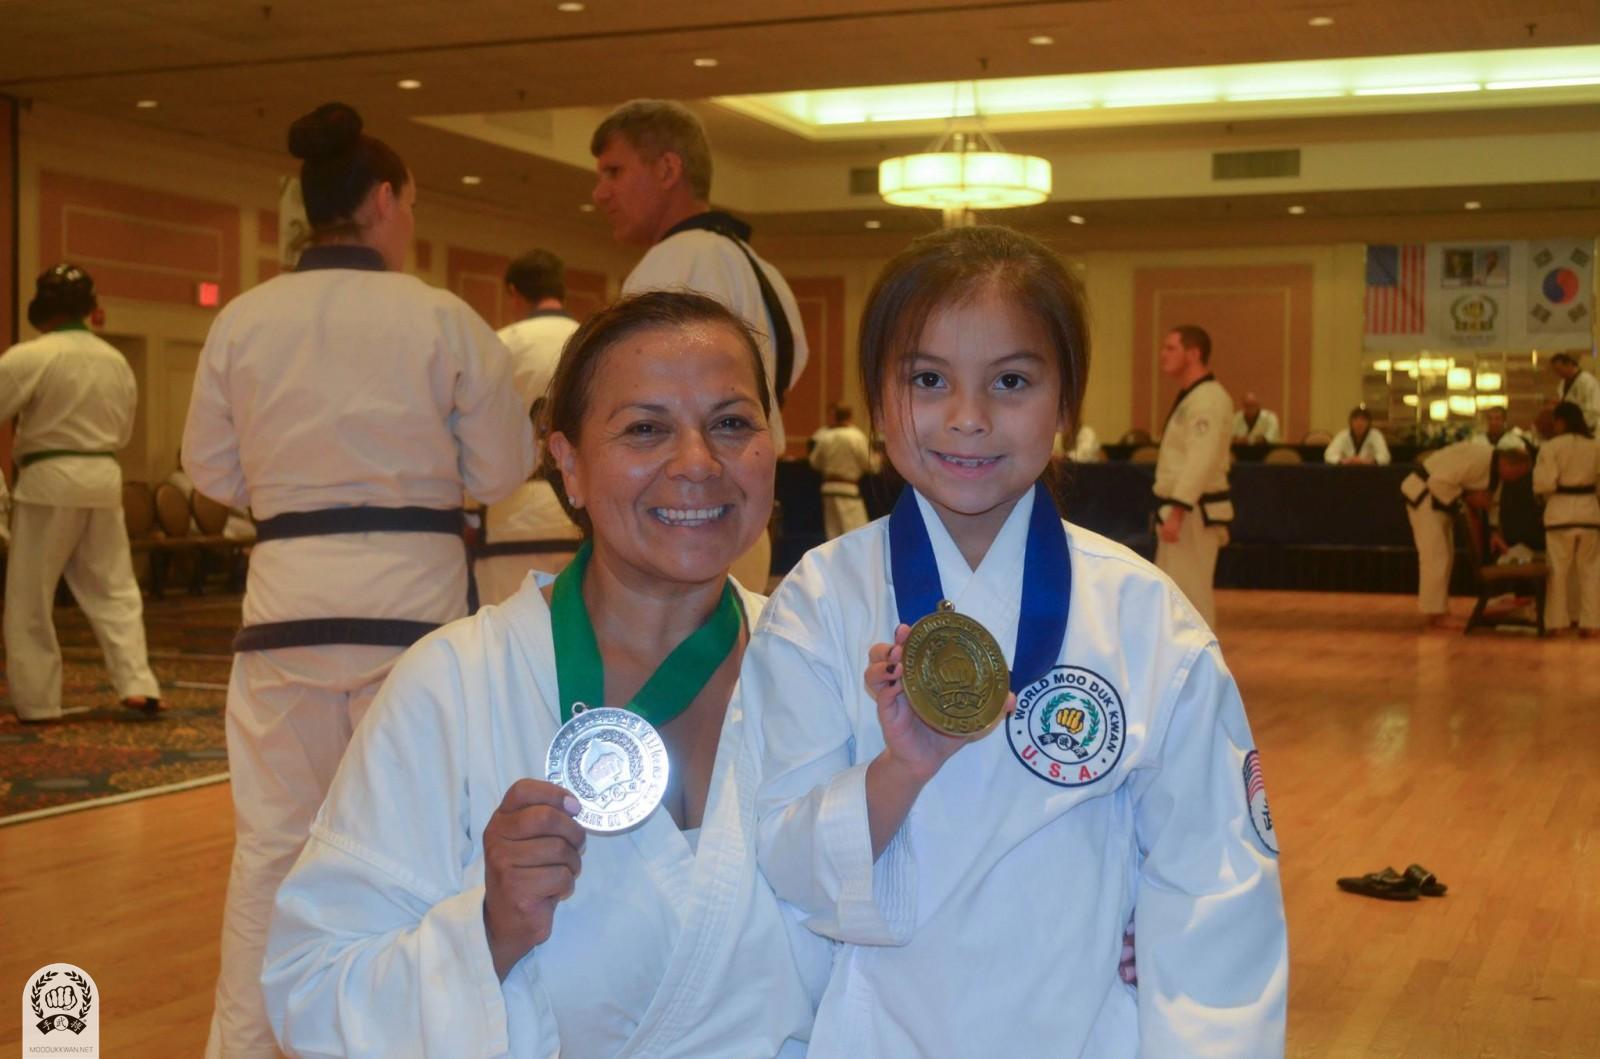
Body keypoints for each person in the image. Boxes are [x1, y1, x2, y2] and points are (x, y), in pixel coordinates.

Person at [742, 226, 1287, 1057]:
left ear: (1066, 404)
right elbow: (783, 864)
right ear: (879, 400)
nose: (969, 418)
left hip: (1087, 1034)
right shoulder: (819, 602)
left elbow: (1215, 891)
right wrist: (901, 768)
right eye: (928, 379)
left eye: (1012, 380)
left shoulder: (1144, 616)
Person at [263, 291, 829, 1057]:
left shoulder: (819, 667)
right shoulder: (455, 685)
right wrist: (490, 929)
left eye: (731, 423)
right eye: (645, 428)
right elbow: (311, 987)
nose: (698, 462)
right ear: (569, 464)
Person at [182, 102, 532, 1058]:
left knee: (270, 850)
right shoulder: (442, 318)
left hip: (285, 609)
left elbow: (209, 472)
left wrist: (296, 487)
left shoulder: (243, 320)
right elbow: (504, 468)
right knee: (415, 849)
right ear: (382, 200)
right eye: (409, 202)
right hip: (413, 619)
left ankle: (242, 1047)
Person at [592, 99, 809, 590]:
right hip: (745, 520)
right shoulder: (762, 269)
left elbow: (636, 398)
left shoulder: (672, 265)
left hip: (687, 518)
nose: (600, 192)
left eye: (614, 171)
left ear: (668, 169)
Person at [0, 264, 161, 722]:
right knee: (115, 587)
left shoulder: (32, 356)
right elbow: (123, 431)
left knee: (30, 598)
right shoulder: (115, 361)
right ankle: (138, 682)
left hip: (49, 482)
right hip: (103, 478)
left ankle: (38, 702)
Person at [475, 249, 584, 606]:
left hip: (513, 513)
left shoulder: (499, 344)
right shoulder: (591, 343)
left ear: (513, 293)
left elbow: (477, 435)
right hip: (580, 509)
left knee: (508, 631)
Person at [1399, 441, 1532, 628]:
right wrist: (1468, 498)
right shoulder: (1478, 458)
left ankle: (1438, 609)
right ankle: (1435, 614)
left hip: (1441, 501)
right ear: (1506, 463)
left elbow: (1491, 503)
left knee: (1445, 556)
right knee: (1435, 556)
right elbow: (1438, 481)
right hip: (1424, 494)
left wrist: (1493, 531)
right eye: (1517, 473)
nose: (1516, 479)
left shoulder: (1497, 472)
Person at [1153, 325, 1234, 625]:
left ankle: (1202, 657)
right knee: (1173, 597)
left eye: (1171, 348)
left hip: (1192, 513)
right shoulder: (1194, 397)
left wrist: (1178, 510)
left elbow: (1201, 460)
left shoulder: (1208, 400)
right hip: (1183, 512)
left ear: (1194, 354)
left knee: (1191, 599)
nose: (1163, 355)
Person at [1532, 401, 1600, 636]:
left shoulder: (1551, 447)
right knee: (1590, 570)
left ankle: (1557, 624)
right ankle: (1592, 624)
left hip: (1560, 514)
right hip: (1589, 513)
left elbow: (1544, 484)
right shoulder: (1595, 446)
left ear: (1560, 421)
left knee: (1558, 571)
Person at [808, 403, 877, 539]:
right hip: (848, 489)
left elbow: (814, 462)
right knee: (856, 532)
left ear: (835, 416)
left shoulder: (825, 437)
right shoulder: (856, 436)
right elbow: (869, 464)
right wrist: (878, 461)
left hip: (828, 489)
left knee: (833, 534)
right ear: (850, 416)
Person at [1324, 406, 1392, 465]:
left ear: (1368, 423)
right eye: (1355, 420)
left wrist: (1369, 461)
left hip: (1370, 472)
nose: (1359, 423)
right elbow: (1328, 455)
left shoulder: (1376, 435)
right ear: (1351, 422)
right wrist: (1344, 461)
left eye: (1363, 420)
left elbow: (1385, 457)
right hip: (1347, 471)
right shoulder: (1343, 435)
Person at [1551, 353, 1600, 433]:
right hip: (1571, 428)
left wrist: (1580, 426)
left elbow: (1594, 409)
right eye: (1556, 371)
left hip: (1588, 427)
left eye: (1559, 370)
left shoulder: (1587, 381)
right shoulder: (1563, 383)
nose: (1558, 373)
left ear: (1569, 364)